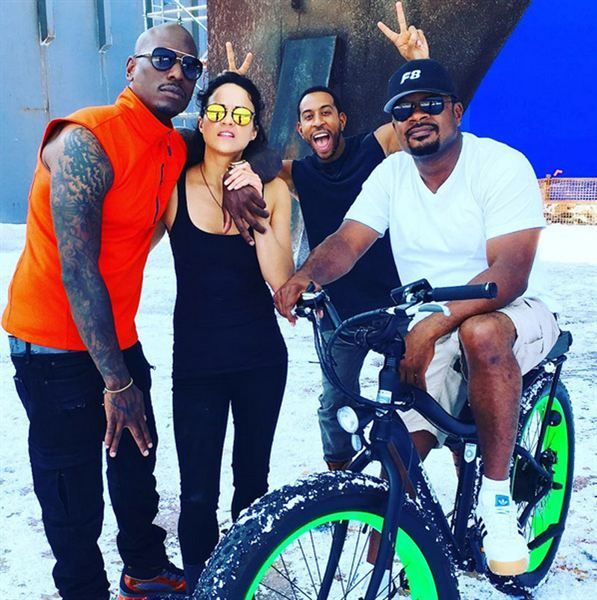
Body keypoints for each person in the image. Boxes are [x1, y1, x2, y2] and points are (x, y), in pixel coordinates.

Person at [1, 24, 265, 600]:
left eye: (190, 67)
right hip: (51, 345)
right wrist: (116, 382)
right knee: (72, 491)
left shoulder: (171, 144)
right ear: (130, 67)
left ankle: (143, 570)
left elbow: (228, 140)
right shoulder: (87, 140)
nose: (177, 72)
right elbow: (78, 270)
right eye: (163, 59)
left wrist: (240, 177)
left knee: (135, 458)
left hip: (115, 334)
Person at [274, 58, 560, 577]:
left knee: (480, 332)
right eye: (402, 109)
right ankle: (396, 548)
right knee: (402, 447)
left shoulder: (499, 164)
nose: (416, 116)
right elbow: (349, 241)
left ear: (456, 111)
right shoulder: (391, 174)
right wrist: (306, 276)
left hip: (506, 312)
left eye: (430, 104)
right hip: (429, 325)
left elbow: (510, 272)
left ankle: (497, 503)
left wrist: (433, 323)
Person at [155, 71, 293, 592]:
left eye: (240, 114)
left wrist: (255, 198)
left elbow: (280, 279)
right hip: (197, 362)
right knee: (196, 493)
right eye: (217, 110)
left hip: (260, 358)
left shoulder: (273, 189)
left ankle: (245, 583)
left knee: (252, 485)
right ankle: (202, 585)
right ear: (202, 120)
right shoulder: (175, 185)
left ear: (254, 129)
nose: (227, 121)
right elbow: (131, 244)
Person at [276, 1, 428, 470]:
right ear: (301, 129)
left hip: (392, 304)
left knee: (418, 392)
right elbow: (241, 158)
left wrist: (418, 64)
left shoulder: (373, 146)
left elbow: (415, 121)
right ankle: (340, 480)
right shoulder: (297, 174)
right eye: (308, 116)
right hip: (338, 312)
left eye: (326, 112)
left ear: (341, 120)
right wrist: (230, 96)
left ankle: (411, 480)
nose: (317, 121)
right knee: (333, 403)